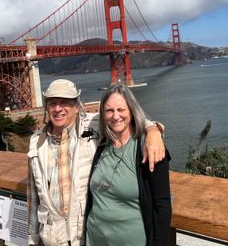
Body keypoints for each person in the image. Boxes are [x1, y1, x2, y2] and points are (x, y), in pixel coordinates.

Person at [27, 79, 165, 246]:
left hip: (83, 237)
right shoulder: (36, 142)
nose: (58, 109)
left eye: (64, 103)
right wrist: (32, 238)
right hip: (52, 238)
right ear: (46, 107)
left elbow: (125, 117)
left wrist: (153, 130)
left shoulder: (92, 126)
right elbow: (33, 196)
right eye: (52, 103)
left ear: (77, 106)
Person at [85, 83, 172, 246]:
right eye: (109, 110)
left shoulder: (149, 147)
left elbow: (162, 205)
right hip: (94, 240)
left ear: (132, 110)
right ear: (103, 114)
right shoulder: (101, 144)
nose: (115, 116)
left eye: (121, 109)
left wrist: (153, 129)